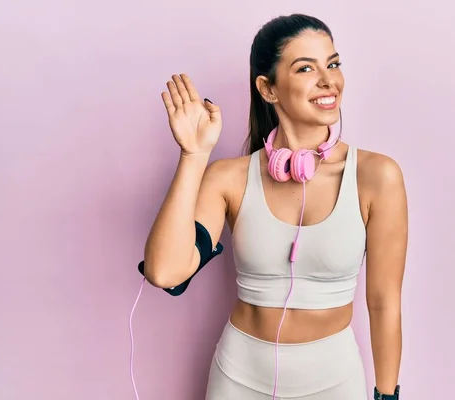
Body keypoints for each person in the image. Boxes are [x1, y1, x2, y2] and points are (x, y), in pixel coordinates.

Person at [143, 13, 408, 400]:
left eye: (333, 64)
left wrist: (387, 397)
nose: (328, 80)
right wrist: (194, 155)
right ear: (268, 89)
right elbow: (164, 271)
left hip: (334, 382)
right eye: (306, 68)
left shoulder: (376, 177)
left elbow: (384, 303)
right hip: (237, 378)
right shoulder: (228, 178)